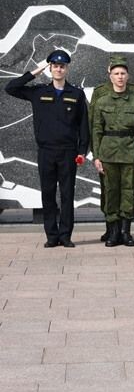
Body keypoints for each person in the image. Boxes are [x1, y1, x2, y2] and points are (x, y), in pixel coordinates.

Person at [4, 50, 89, 248]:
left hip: (68, 151)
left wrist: (82, 151)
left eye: (62, 66)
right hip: (46, 151)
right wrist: (35, 71)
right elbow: (11, 87)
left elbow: (83, 124)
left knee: (67, 195)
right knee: (48, 193)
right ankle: (52, 235)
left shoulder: (76, 93)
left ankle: (65, 235)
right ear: (50, 68)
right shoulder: (39, 91)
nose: (58, 69)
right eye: (55, 66)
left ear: (67, 69)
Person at [91, 55, 134, 247]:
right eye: (116, 73)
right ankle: (113, 232)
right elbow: (96, 130)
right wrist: (96, 156)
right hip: (108, 153)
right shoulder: (101, 100)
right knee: (111, 191)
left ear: (128, 76)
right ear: (110, 76)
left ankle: (126, 232)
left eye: (123, 73)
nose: (120, 77)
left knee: (127, 192)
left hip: (130, 153)